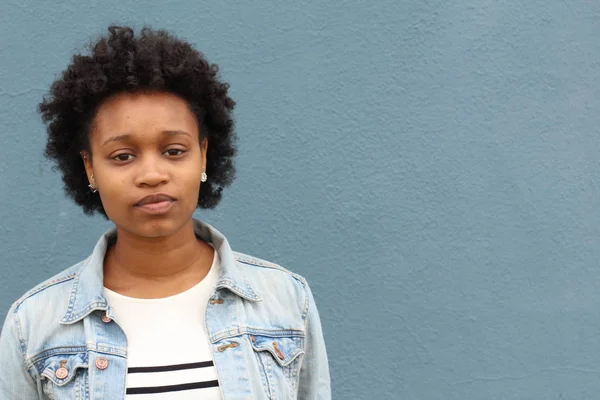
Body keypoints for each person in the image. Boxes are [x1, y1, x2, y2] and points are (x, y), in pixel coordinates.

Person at [0, 25, 330, 399]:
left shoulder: (285, 301)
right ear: (90, 168)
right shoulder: (34, 326)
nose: (152, 175)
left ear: (203, 154)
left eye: (174, 151)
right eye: (123, 156)